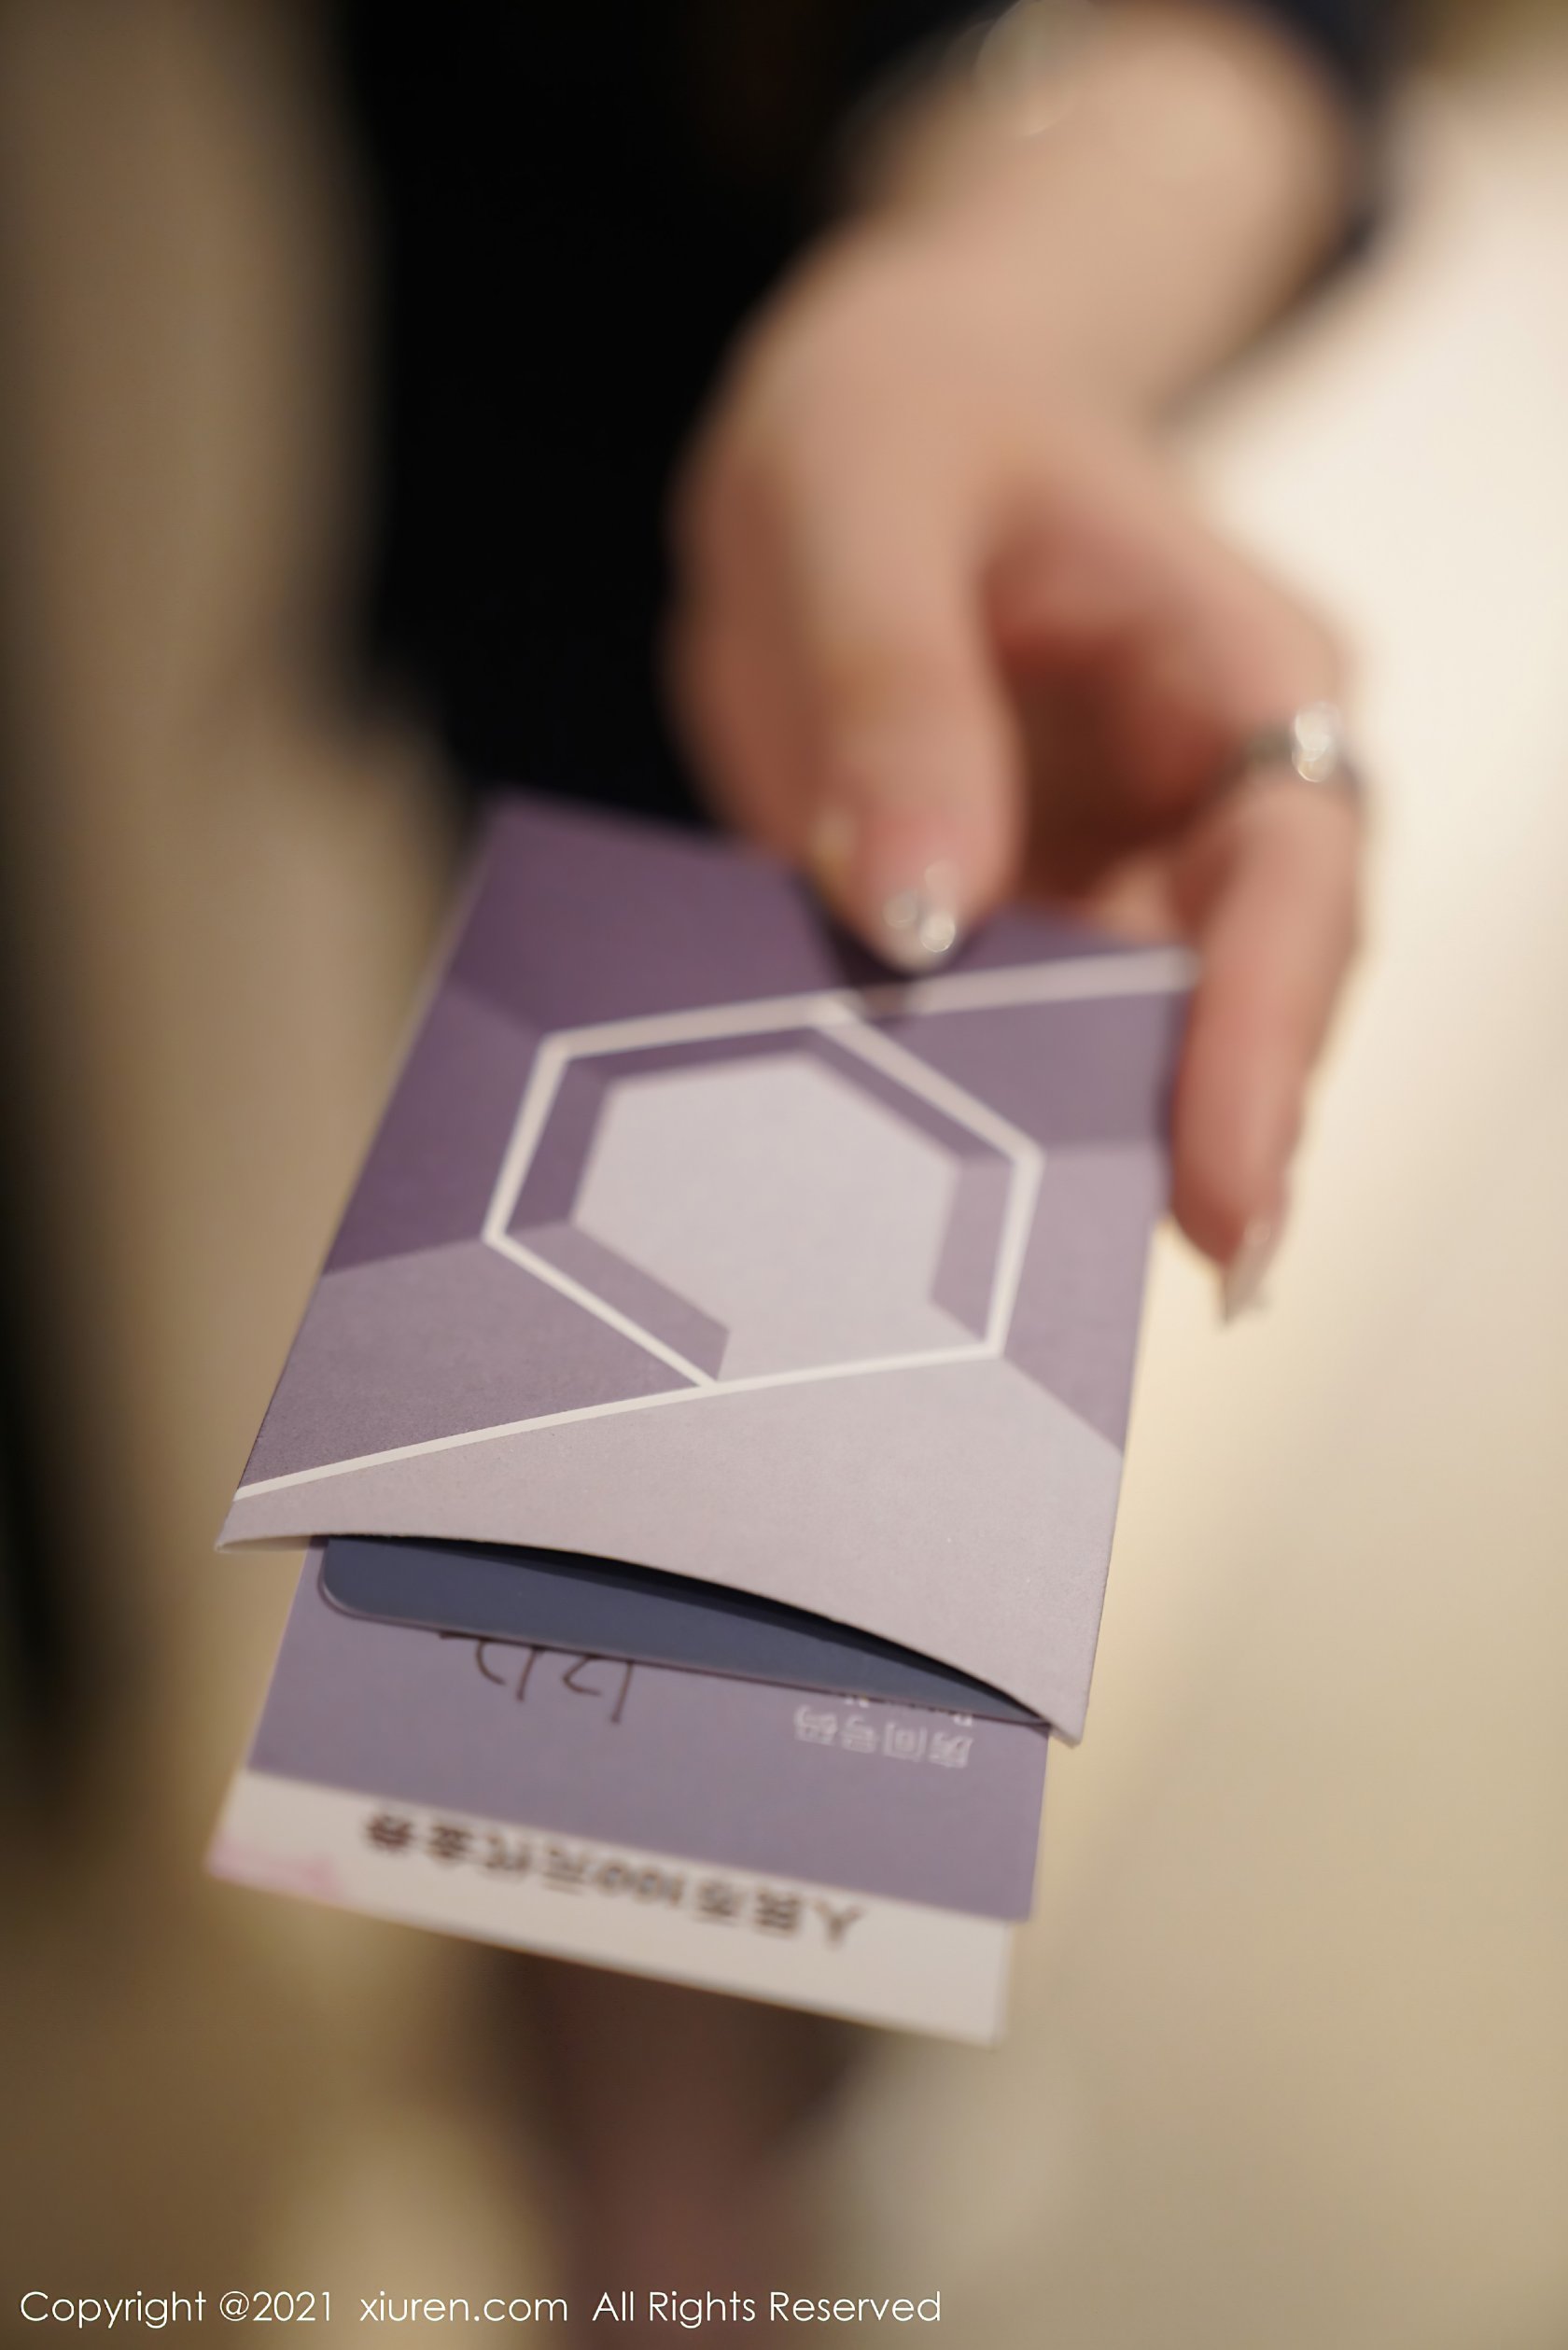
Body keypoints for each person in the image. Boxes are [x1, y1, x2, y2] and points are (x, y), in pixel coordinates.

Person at [330, 0, 1394, 2317]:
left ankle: (730, 2132)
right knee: (608, 1690)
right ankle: (664, 2207)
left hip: (934, 641)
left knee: (787, 1608)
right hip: (587, 601)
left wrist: (990, 297)